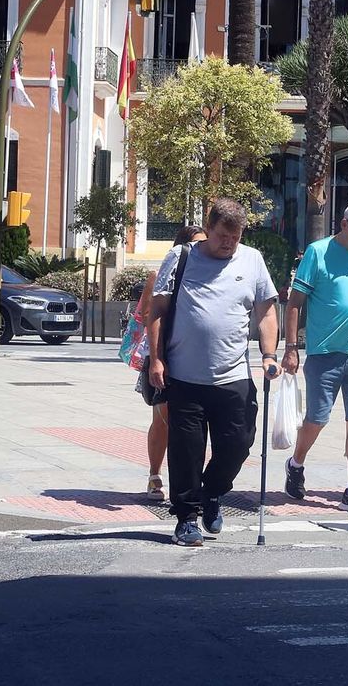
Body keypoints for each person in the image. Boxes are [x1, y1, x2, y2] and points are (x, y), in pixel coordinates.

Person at [144, 200, 281, 547]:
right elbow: (157, 310)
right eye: (223, 235)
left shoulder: (252, 260)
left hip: (233, 376)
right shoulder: (182, 257)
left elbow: (265, 312)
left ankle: (213, 492)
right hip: (185, 377)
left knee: (238, 445)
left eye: (235, 236)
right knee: (186, 451)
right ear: (209, 228)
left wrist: (268, 355)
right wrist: (157, 360)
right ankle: (187, 518)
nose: (229, 243)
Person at [281, 202, 348, 515]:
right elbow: (294, 303)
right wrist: (290, 347)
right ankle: (296, 462)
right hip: (324, 353)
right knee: (318, 418)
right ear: (343, 224)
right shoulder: (317, 252)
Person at [130, 225, 202, 503]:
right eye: (195, 244)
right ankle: (154, 475)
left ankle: (186, 481)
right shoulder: (159, 275)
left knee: (191, 423)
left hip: (194, 357)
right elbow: (148, 314)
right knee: (162, 419)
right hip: (165, 353)